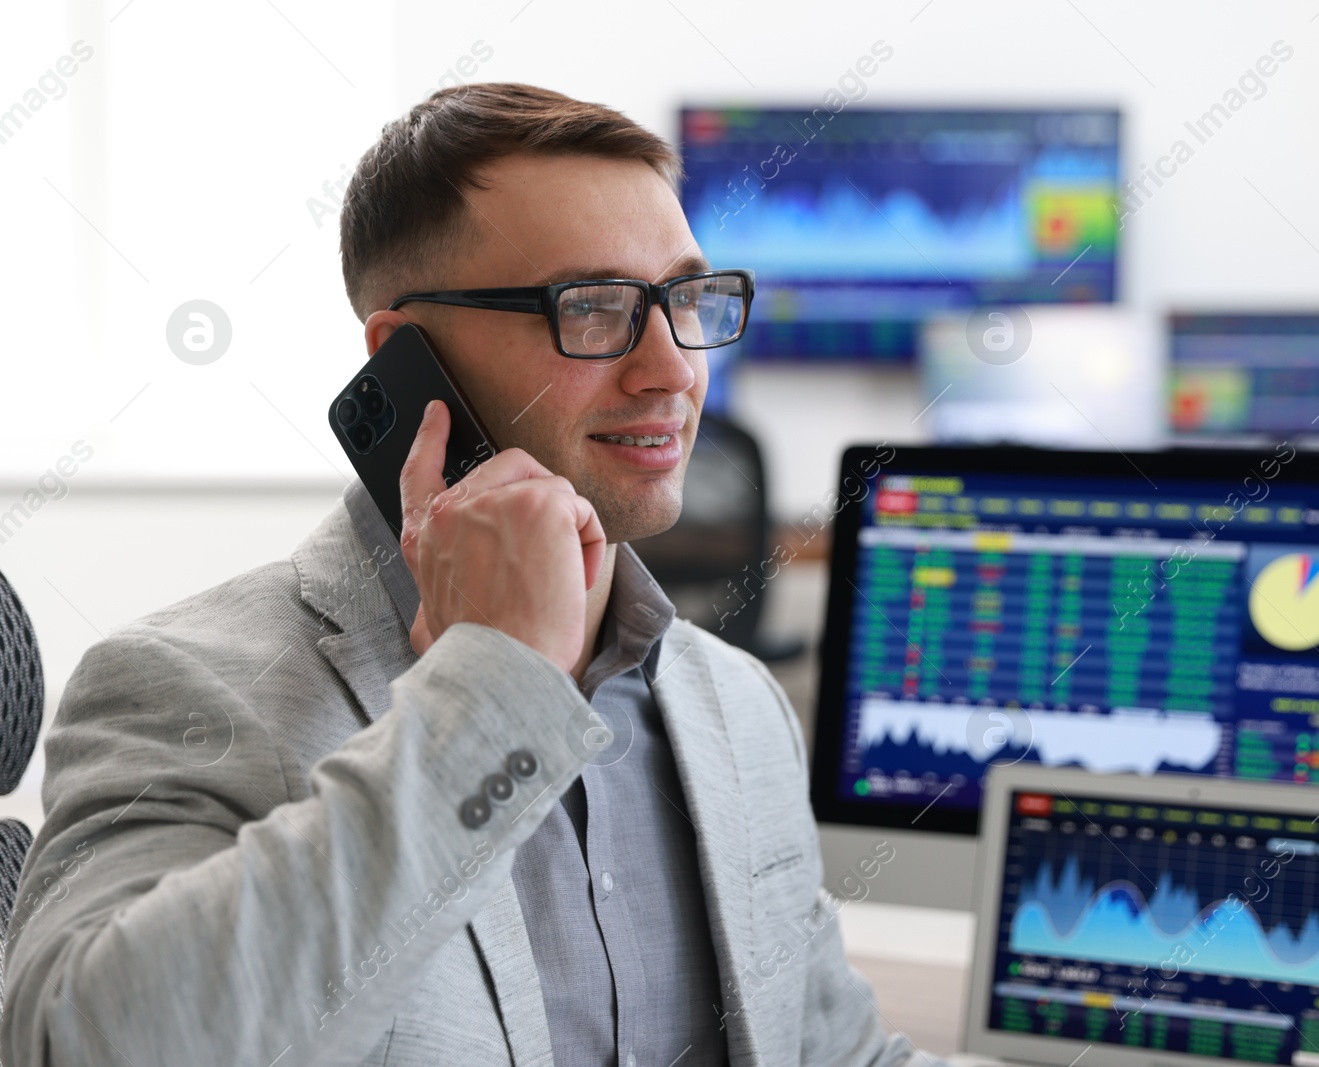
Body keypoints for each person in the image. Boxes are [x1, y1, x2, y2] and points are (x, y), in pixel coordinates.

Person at [1, 82, 936, 1067]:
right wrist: (490, 686)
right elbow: (83, 1044)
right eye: (596, 306)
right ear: (404, 356)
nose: (671, 368)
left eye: (685, 300)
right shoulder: (183, 681)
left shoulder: (735, 702)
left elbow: (839, 1052)